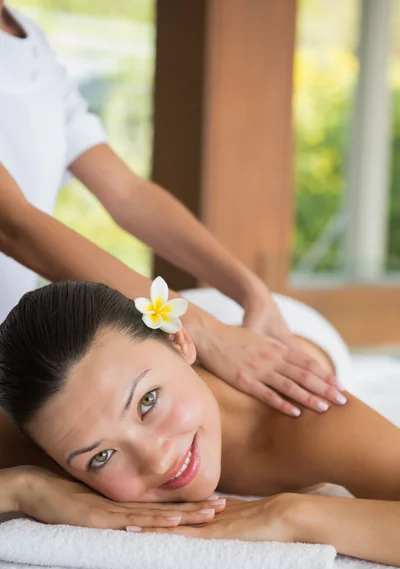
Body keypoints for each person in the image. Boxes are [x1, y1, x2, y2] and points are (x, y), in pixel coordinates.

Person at [0, 3, 347, 416]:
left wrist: (250, 291)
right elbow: (12, 222)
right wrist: (202, 329)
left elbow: (128, 193)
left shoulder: (28, 39)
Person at [1, 280, 400, 568]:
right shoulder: (56, 421)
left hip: (272, 330)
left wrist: (291, 514)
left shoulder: (309, 420)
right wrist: (24, 487)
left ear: (181, 343)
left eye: (148, 401)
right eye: (103, 456)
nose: (157, 461)